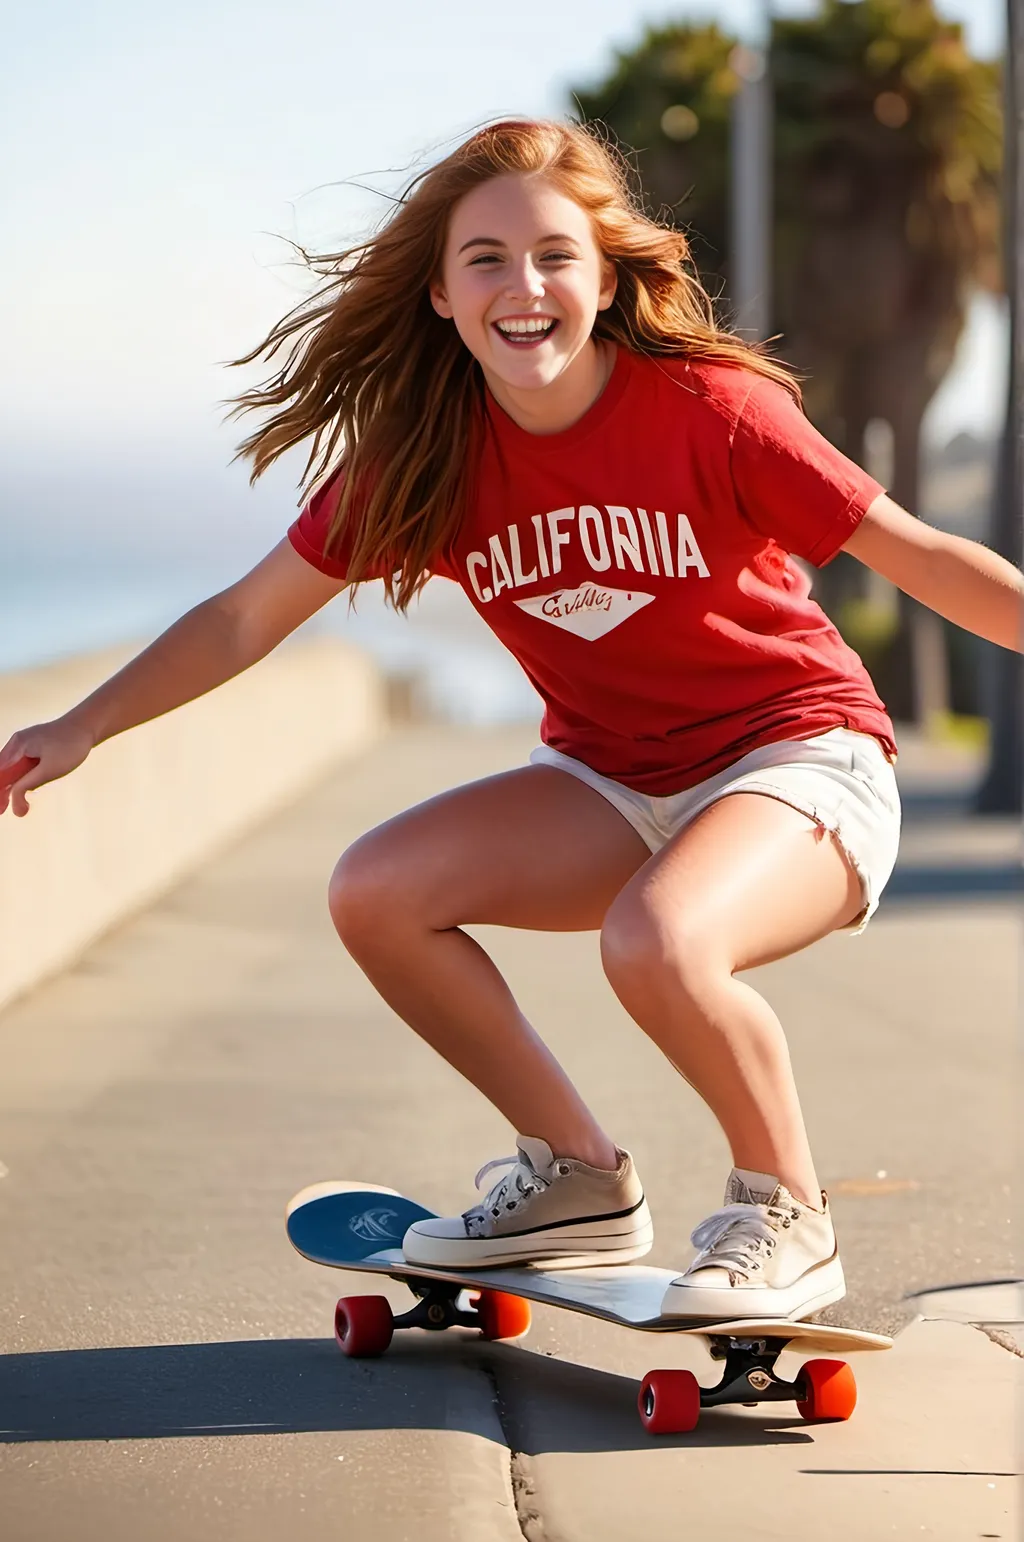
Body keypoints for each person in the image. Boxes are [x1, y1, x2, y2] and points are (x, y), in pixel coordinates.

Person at [2, 120, 1021, 1322]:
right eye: (485, 259)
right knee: (375, 889)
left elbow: (922, 557)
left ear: (602, 279)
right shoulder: (423, 458)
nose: (522, 287)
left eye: (553, 256)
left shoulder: (712, 411)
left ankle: (784, 1210)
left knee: (656, 942)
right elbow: (242, 619)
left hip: (802, 758)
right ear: (438, 293)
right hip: (609, 779)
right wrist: (80, 725)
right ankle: (577, 1179)